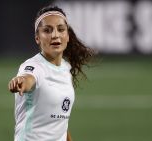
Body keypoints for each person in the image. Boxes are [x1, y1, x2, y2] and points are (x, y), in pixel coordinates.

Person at [8, 5, 94, 141]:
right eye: (47, 30)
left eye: (61, 29)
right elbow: (27, 78)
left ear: (67, 35)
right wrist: (20, 82)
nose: (55, 35)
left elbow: (61, 124)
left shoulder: (66, 68)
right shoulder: (33, 66)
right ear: (37, 38)